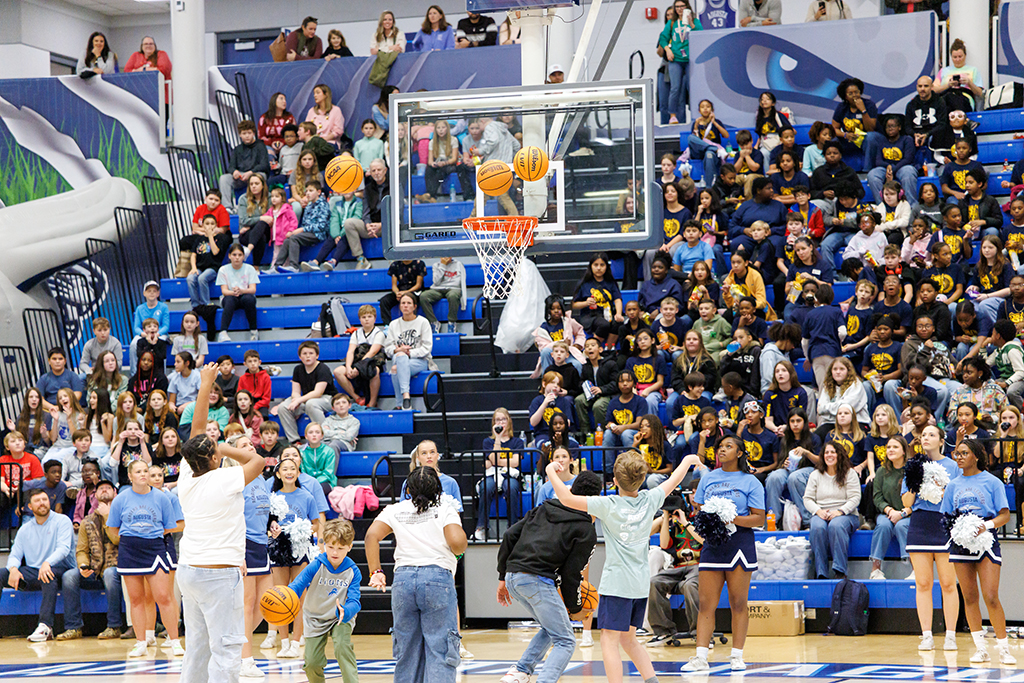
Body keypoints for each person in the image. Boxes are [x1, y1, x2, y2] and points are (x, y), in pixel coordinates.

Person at [548, 447, 703, 682]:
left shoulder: (607, 504)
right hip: (640, 585)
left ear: (614, 481)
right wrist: (690, 459)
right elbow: (675, 478)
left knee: (609, 640)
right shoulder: (651, 499)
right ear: (642, 479)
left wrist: (550, 470)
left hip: (617, 584)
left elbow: (566, 498)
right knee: (629, 640)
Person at [175, 363, 266, 681]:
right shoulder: (224, 479)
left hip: (188, 572)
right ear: (213, 458)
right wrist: (226, 445)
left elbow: (196, 431)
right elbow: (258, 460)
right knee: (227, 648)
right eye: (214, 450)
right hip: (217, 575)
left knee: (198, 647)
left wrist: (205, 384)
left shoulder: (186, 475)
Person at [496, 470, 600, 683]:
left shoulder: (543, 508)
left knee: (551, 626)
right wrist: (576, 609)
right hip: (536, 580)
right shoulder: (585, 529)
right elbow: (571, 574)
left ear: (572, 489)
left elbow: (508, 535)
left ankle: (520, 671)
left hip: (514, 578)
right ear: (594, 500)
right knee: (566, 640)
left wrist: (502, 576)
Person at [366, 466, 468, 683]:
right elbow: (458, 544)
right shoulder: (445, 509)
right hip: (437, 579)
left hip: (403, 580)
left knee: (407, 652)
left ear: (409, 490)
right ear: (438, 489)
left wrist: (376, 571)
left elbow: (371, 536)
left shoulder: (394, 509)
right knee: (441, 650)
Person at [681, 435, 764, 672]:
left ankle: (737, 656)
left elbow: (759, 518)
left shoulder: (751, 481)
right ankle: (700, 657)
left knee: (738, 602)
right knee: (706, 603)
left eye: (729, 447)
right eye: (720, 447)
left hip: (740, 543)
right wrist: (709, 519)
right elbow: (699, 509)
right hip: (713, 545)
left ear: (739, 453)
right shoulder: (708, 478)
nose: (722, 450)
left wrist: (732, 518)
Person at [942, 439, 1015, 664]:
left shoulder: (992, 482)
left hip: (985, 538)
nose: (960, 457)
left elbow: (1005, 514)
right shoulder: (953, 485)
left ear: (975, 456)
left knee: (991, 596)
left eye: (964, 453)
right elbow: (945, 516)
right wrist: (957, 530)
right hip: (961, 541)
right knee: (970, 597)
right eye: (957, 454)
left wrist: (986, 526)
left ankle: (1004, 649)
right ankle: (980, 648)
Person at [108, 459, 183, 657]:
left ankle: (174, 641)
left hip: (155, 547)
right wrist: (133, 535)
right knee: (136, 599)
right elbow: (113, 528)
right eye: (138, 471)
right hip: (129, 549)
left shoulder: (161, 498)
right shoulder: (121, 499)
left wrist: (150, 533)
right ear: (130, 476)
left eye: (145, 471)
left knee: (163, 596)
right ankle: (141, 642)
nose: (143, 474)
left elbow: (171, 525)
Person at [901, 424, 960, 652]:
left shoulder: (953, 467)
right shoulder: (913, 465)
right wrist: (915, 483)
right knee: (923, 583)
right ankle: (926, 635)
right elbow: (906, 503)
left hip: (944, 524)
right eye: (923, 435)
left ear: (941, 440)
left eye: (931, 434)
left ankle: (951, 635)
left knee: (947, 583)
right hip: (920, 524)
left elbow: (955, 499)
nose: (926, 437)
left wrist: (940, 489)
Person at [285, 518, 361, 683]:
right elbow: (298, 585)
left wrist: (346, 611)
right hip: (314, 616)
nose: (334, 552)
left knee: (342, 647)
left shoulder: (353, 571)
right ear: (324, 544)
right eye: (330, 547)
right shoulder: (316, 565)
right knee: (312, 663)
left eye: (340, 548)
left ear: (349, 547)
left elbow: (355, 601)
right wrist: (286, 596)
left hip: (340, 617)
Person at [57, 478, 123, 640]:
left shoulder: (122, 516)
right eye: (101, 489)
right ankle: (74, 627)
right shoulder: (87, 520)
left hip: (118, 569)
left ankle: (114, 626)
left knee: (109, 574)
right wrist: (83, 565)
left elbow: (117, 540)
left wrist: (107, 517)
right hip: (95, 569)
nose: (105, 490)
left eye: (108, 488)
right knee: (69, 576)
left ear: (116, 493)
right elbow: (81, 550)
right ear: (95, 496)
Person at [804, 440, 861, 579]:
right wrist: (818, 511)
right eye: (826, 452)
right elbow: (807, 498)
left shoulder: (850, 473)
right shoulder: (815, 475)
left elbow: (855, 497)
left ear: (839, 455)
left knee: (836, 525)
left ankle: (840, 571)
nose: (829, 455)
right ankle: (821, 572)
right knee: (817, 526)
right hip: (822, 513)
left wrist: (840, 511)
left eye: (833, 452)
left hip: (846, 514)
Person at [474, 408, 525, 541]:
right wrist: (497, 438)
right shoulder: (488, 442)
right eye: (498, 420)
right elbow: (493, 462)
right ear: (493, 423)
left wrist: (495, 461)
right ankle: (482, 527)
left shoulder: (517, 442)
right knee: (486, 487)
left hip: (510, 474)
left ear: (509, 421)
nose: (501, 422)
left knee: (512, 487)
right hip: (492, 475)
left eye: (503, 419)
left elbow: (514, 463)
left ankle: (513, 526)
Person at [271, 341, 335, 444]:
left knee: (311, 404)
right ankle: (294, 441)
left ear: (317, 355)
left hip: (326, 398)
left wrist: (299, 400)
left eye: (311, 353)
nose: (308, 356)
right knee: (283, 407)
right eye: (304, 354)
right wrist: (296, 400)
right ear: (300, 357)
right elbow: (295, 391)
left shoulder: (323, 368)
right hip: (306, 398)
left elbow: (318, 392)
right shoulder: (298, 369)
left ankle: (324, 438)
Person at [385, 292, 437, 410]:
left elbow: (427, 348)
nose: (405, 306)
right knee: (400, 356)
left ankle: (399, 404)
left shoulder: (423, 322)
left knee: (395, 369)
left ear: (414, 306)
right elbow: (388, 349)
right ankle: (406, 397)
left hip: (419, 361)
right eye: (403, 303)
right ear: (399, 306)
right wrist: (398, 350)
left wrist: (409, 353)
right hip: (398, 358)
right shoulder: (394, 324)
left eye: (409, 303)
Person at [869, 435, 910, 579]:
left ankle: (914, 569)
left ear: (904, 451)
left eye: (895, 447)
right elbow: (877, 497)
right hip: (887, 512)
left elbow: (919, 498)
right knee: (883, 525)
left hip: (908, 513)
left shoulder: (911, 470)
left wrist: (903, 513)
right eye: (888, 447)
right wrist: (890, 510)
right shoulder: (881, 471)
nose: (891, 450)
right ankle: (875, 569)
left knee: (901, 526)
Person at [658, 0, 702, 124]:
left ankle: (696, 115)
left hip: (690, 60)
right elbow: (663, 38)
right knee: (675, 88)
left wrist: (692, 23)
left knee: (692, 88)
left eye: (682, 6)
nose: (679, 9)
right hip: (675, 59)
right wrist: (667, 50)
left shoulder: (695, 22)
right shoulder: (672, 23)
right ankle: (672, 115)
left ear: (687, 7)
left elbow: (701, 34)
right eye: (677, 7)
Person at [274, 181, 331, 273]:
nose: (307, 193)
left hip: (318, 234)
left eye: (311, 190)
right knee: (287, 240)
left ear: (319, 192)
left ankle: (294, 266)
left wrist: (302, 229)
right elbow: (305, 224)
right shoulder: (308, 206)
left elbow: (322, 226)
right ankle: (276, 267)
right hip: (307, 233)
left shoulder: (323, 205)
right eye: (306, 191)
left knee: (294, 238)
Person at [866, 117, 918, 203]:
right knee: (872, 175)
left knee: (909, 172)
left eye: (893, 126)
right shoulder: (881, 141)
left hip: (902, 166)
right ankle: (882, 205)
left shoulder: (907, 139)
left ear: (899, 127)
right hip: (885, 168)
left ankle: (910, 206)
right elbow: (878, 161)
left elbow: (908, 159)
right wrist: (888, 167)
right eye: (888, 127)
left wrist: (893, 168)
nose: (890, 128)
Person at [215, 243, 260, 343]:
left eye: (240, 255)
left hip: (245, 295)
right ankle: (223, 332)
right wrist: (234, 292)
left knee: (249, 299)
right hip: (230, 296)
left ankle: (253, 331)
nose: (237, 258)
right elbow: (224, 291)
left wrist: (242, 291)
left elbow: (253, 289)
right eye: (234, 255)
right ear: (229, 256)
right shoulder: (223, 270)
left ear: (243, 257)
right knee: (229, 300)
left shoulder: (250, 269)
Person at [905, 76, 947, 167]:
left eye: (926, 86)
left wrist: (927, 134)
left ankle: (936, 166)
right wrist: (914, 134)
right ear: (916, 87)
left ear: (932, 87)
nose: (922, 89)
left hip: (934, 134)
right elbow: (907, 126)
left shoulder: (940, 102)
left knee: (938, 136)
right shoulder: (911, 104)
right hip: (916, 135)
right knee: (907, 140)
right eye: (920, 86)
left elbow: (942, 124)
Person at [934, 38, 985, 113]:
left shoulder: (973, 70)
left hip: (964, 97)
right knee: (945, 100)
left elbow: (980, 93)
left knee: (954, 99)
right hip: (946, 97)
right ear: (951, 57)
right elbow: (933, 90)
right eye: (955, 57)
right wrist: (948, 85)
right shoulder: (943, 71)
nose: (957, 60)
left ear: (965, 55)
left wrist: (969, 83)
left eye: (960, 56)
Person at [420, 257, 466, 334]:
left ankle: (452, 322)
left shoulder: (459, 265)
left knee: (453, 296)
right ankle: (434, 322)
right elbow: (436, 282)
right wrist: (443, 266)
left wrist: (463, 303)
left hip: (453, 288)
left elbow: (462, 282)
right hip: (437, 289)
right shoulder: (436, 265)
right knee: (424, 296)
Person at [36, 347, 85, 412]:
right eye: (54, 359)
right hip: (50, 410)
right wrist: (53, 408)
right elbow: (39, 399)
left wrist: (64, 406)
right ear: (49, 361)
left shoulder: (72, 376)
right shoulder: (43, 379)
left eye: (60, 359)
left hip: (71, 408)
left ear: (65, 361)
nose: (57, 361)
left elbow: (77, 394)